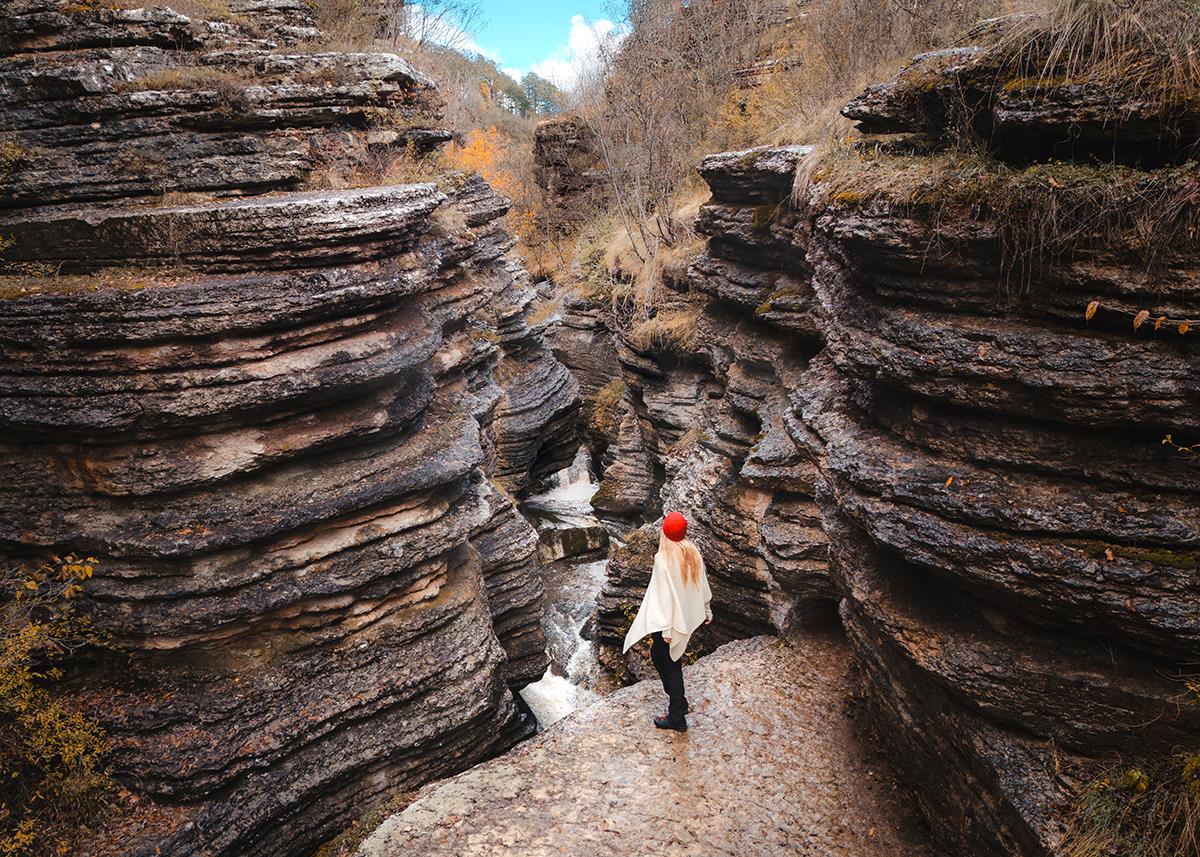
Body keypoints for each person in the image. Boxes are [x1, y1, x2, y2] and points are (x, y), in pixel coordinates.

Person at [621, 511, 712, 732]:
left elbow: (664, 596)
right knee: (665, 658)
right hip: (680, 616)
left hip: (668, 622)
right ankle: (679, 703)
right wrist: (706, 609)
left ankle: (677, 717)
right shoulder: (692, 551)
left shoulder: (663, 558)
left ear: (665, 532)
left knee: (669, 663)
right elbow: (702, 584)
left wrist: (668, 629)